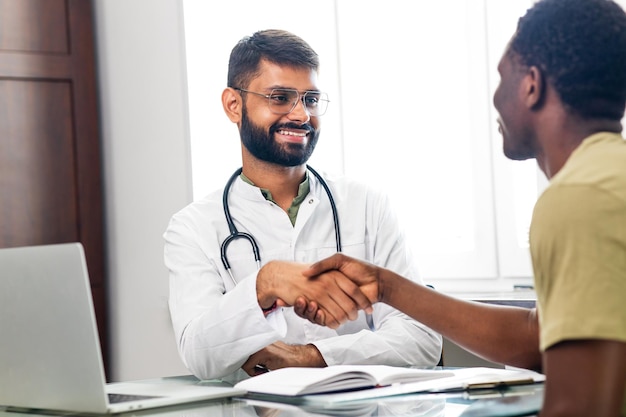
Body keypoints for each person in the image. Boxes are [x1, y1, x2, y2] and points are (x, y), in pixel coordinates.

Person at [300, 0, 626, 416]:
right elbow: (537, 336)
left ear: (531, 84)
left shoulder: (579, 199)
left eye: (500, 77)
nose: (493, 97)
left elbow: (580, 407)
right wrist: (387, 287)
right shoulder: (608, 180)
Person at [163, 29, 441, 382]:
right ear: (234, 105)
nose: (300, 115)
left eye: (310, 99)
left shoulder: (367, 205)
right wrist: (265, 284)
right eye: (279, 97)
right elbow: (200, 355)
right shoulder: (193, 227)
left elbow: (423, 338)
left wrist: (312, 357)